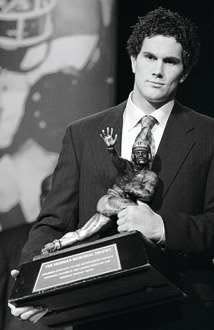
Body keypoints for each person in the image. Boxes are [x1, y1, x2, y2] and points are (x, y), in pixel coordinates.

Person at [8, 6, 214, 330]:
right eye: (149, 57)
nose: (157, 70)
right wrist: (30, 279)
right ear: (133, 61)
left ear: (184, 71)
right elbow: (53, 222)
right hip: (98, 313)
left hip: (182, 312)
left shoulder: (208, 136)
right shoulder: (83, 134)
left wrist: (162, 227)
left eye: (170, 61)